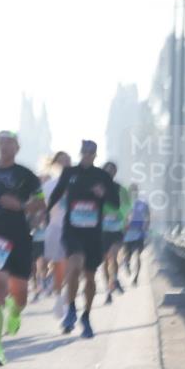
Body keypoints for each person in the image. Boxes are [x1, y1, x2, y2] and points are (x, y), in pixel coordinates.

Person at [0, 132, 46, 366]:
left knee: (20, 295)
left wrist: (22, 205)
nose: (5, 146)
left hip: (20, 237)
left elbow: (41, 201)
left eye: (10, 142)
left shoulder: (26, 175)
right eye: (2, 142)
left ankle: (15, 312)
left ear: (17, 147)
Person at [47, 140, 120, 338]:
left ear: (95, 155)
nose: (87, 154)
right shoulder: (70, 173)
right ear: (80, 152)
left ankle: (86, 316)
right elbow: (55, 195)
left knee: (89, 277)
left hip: (94, 233)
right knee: (75, 264)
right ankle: (71, 308)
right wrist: (45, 215)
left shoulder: (102, 176)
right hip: (72, 230)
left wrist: (103, 194)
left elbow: (116, 202)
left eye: (91, 152)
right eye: (84, 151)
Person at [42, 152, 72, 319]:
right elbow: (42, 207)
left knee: (75, 268)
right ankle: (60, 298)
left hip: (75, 231)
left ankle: (67, 298)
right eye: (63, 161)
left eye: (68, 160)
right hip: (55, 228)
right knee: (59, 267)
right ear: (57, 164)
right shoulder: (49, 186)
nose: (66, 163)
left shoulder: (78, 183)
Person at [100, 161, 130, 304]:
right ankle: (108, 289)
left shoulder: (121, 189)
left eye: (112, 170)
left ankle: (115, 278)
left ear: (115, 172)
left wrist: (117, 214)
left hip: (117, 228)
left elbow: (127, 206)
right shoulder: (97, 188)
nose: (109, 172)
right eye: (107, 170)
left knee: (114, 255)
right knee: (105, 261)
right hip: (102, 230)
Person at [123, 184, 150, 285]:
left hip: (139, 233)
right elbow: (122, 217)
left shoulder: (142, 203)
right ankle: (127, 265)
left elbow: (148, 216)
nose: (134, 193)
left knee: (138, 255)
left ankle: (136, 277)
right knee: (127, 255)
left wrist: (146, 227)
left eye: (135, 191)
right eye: (132, 191)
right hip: (128, 234)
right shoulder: (125, 203)